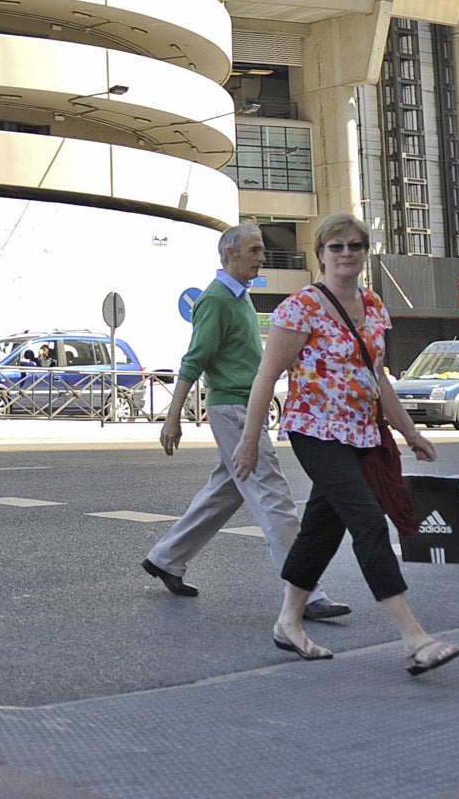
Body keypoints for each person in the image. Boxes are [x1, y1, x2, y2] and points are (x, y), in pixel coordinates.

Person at [233, 211, 459, 675]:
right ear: (320, 253)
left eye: (354, 246)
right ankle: (413, 638)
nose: (346, 254)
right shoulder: (300, 307)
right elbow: (266, 376)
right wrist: (249, 440)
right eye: (336, 246)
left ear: (364, 253)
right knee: (367, 522)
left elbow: (377, 377)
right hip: (315, 431)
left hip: (362, 432)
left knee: (322, 529)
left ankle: (288, 622)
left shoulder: (374, 305)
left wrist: (410, 432)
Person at [142, 223, 348, 623]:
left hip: (242, 407)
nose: (262, 257)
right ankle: (306, 591)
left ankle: (166, 559)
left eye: (261, 250)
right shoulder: (216, 299)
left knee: (226, 490)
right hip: (234, 410)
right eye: (254, 250)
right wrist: (172, 419)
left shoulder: (236, 298)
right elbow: (193, 361)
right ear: (230, 254)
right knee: (273, 496)